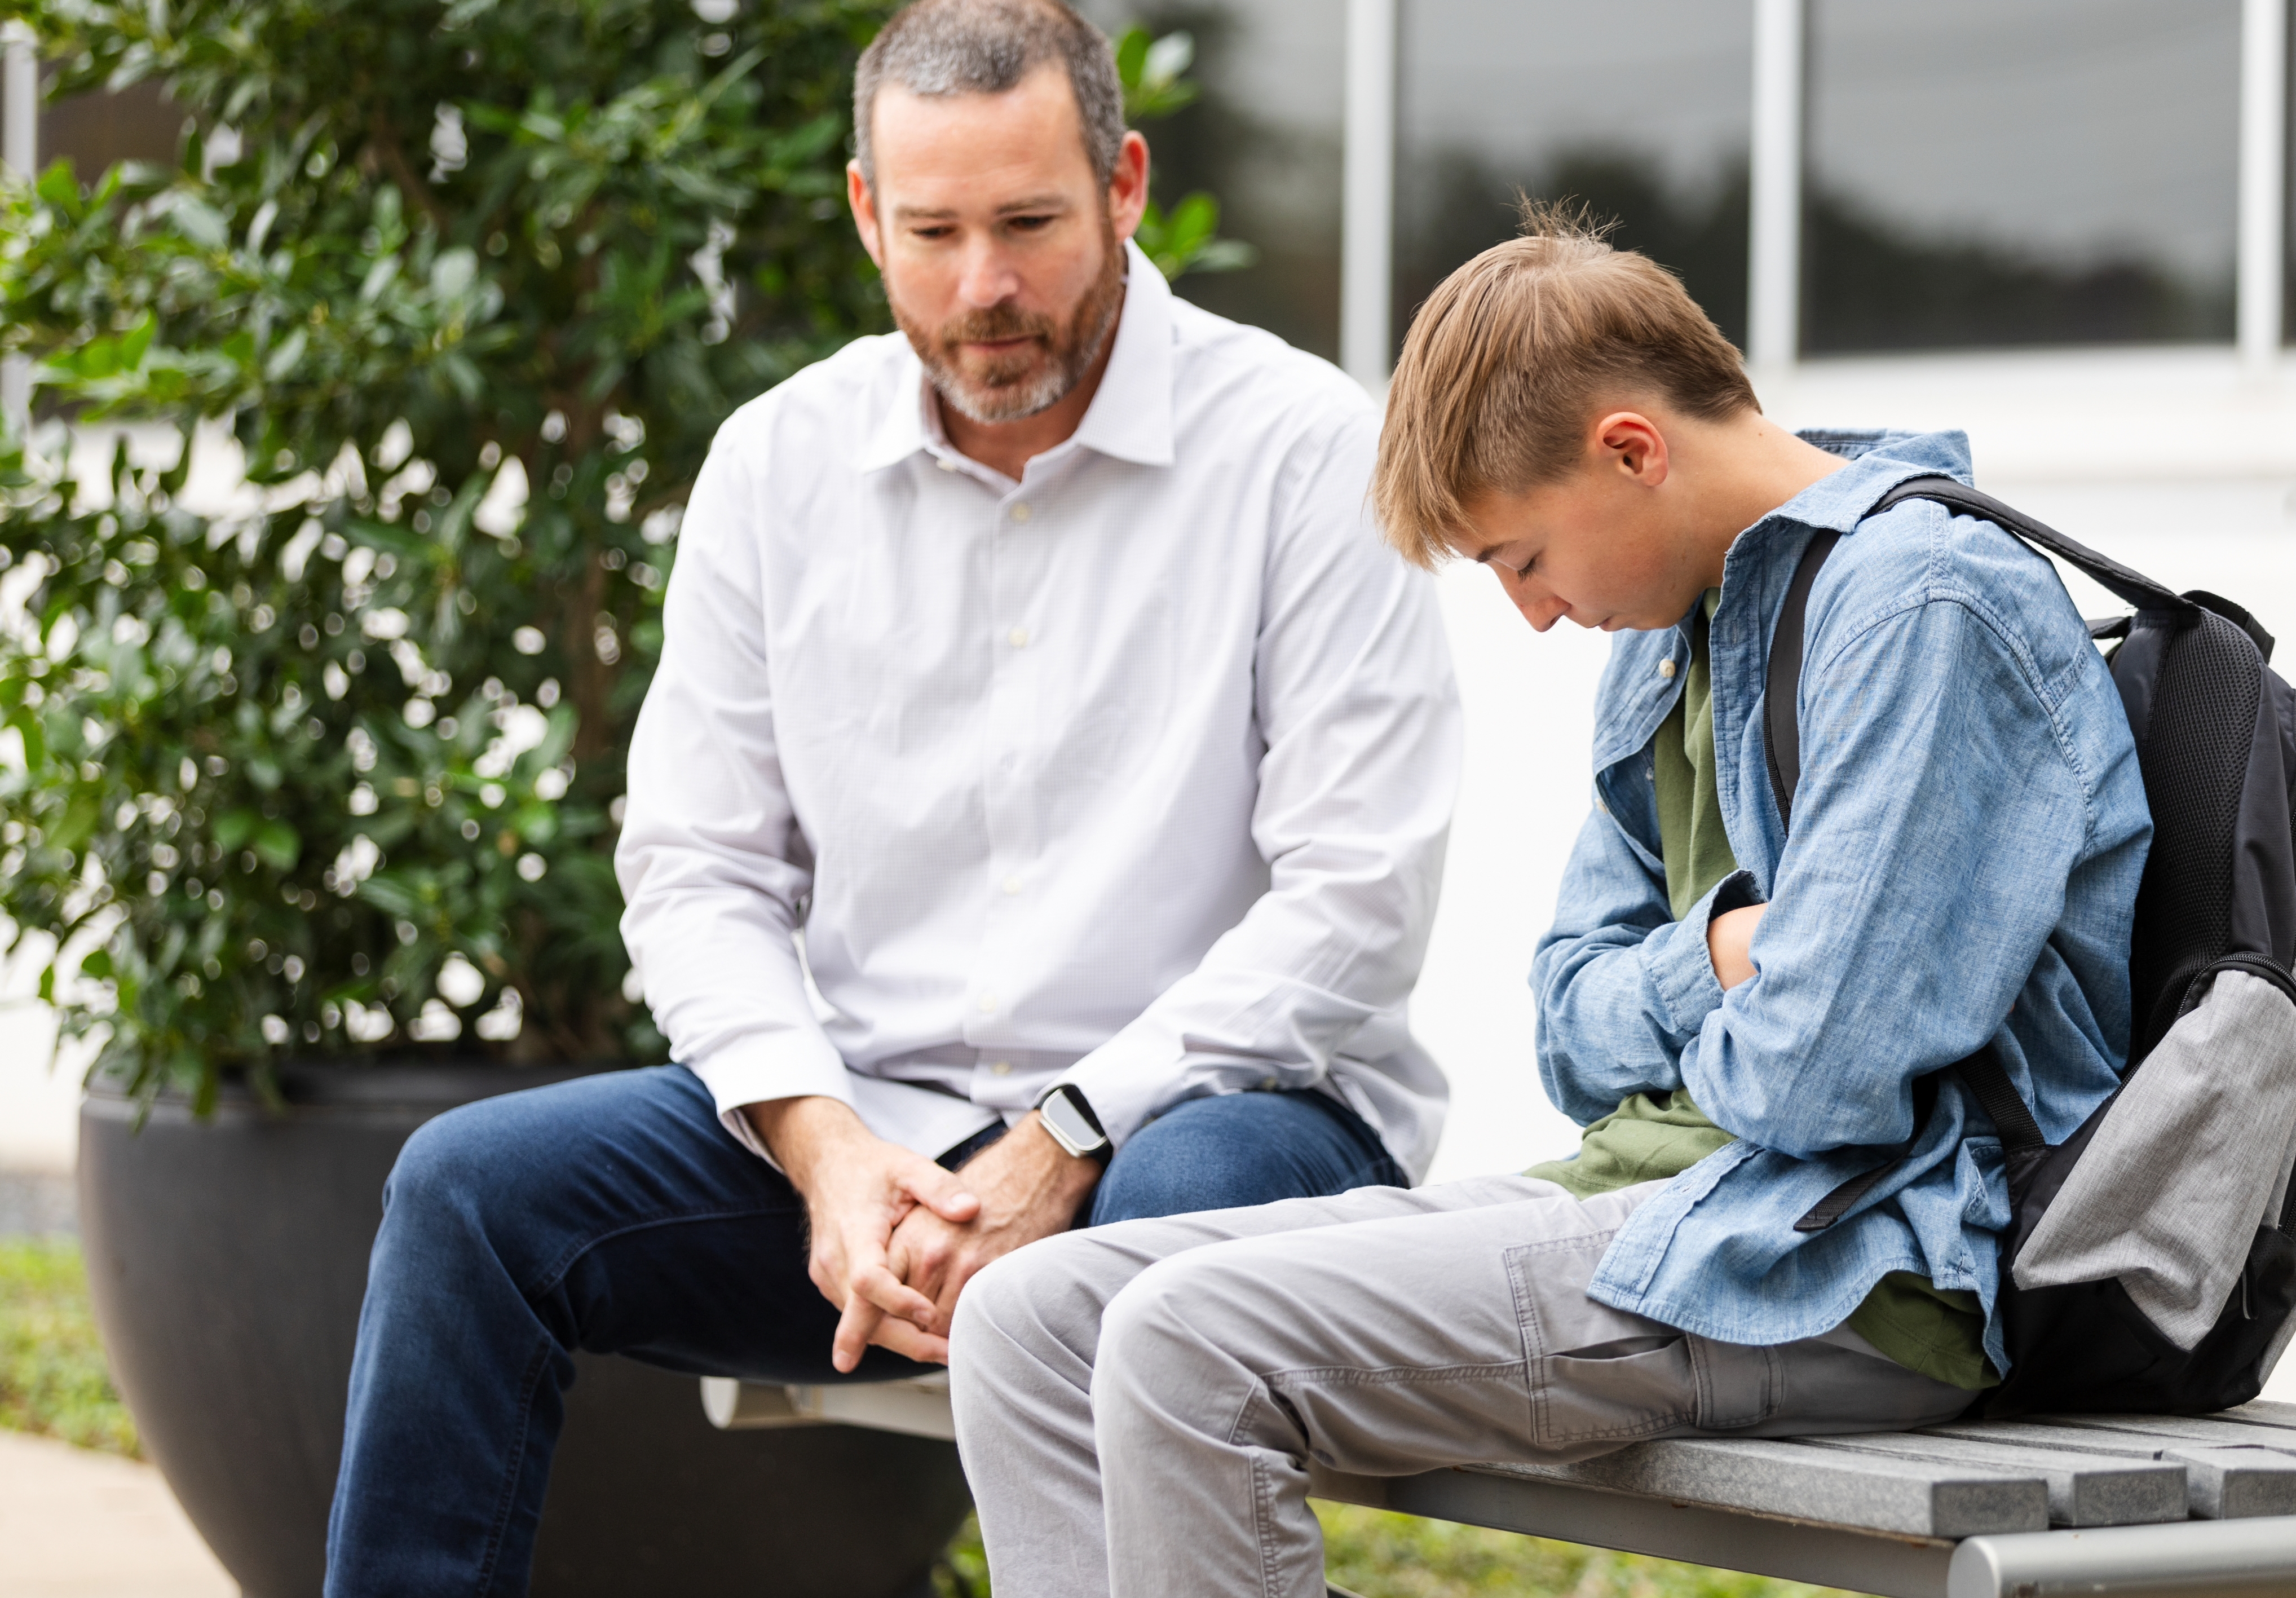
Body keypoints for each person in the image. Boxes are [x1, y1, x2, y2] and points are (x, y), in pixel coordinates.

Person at [321, 2, 1460, 1591]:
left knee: (1153, 1244)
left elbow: (1355, 897)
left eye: (1029, 225)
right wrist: (827, 1155)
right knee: (467, 1195)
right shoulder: (775, 468)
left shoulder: (1303, 453)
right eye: (930, 232)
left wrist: (1062, 1137)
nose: (982, 288)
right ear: (866, 213)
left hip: (1212, 1133)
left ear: (1125, 186)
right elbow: (699, 869)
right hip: (874, 1157)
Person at [946, 209, 2154, 1598]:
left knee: (1180, 1346)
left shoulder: (1920, 609)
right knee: (1027, 1319)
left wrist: (1705, 987)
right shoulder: (1669, 639)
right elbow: (1566, 1028)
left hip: (1843, 1260)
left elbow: (1814, 1082)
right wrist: (1719, 959)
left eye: (1520, 557)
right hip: (1653, 1203)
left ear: (1631, 449)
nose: (1529, 612)